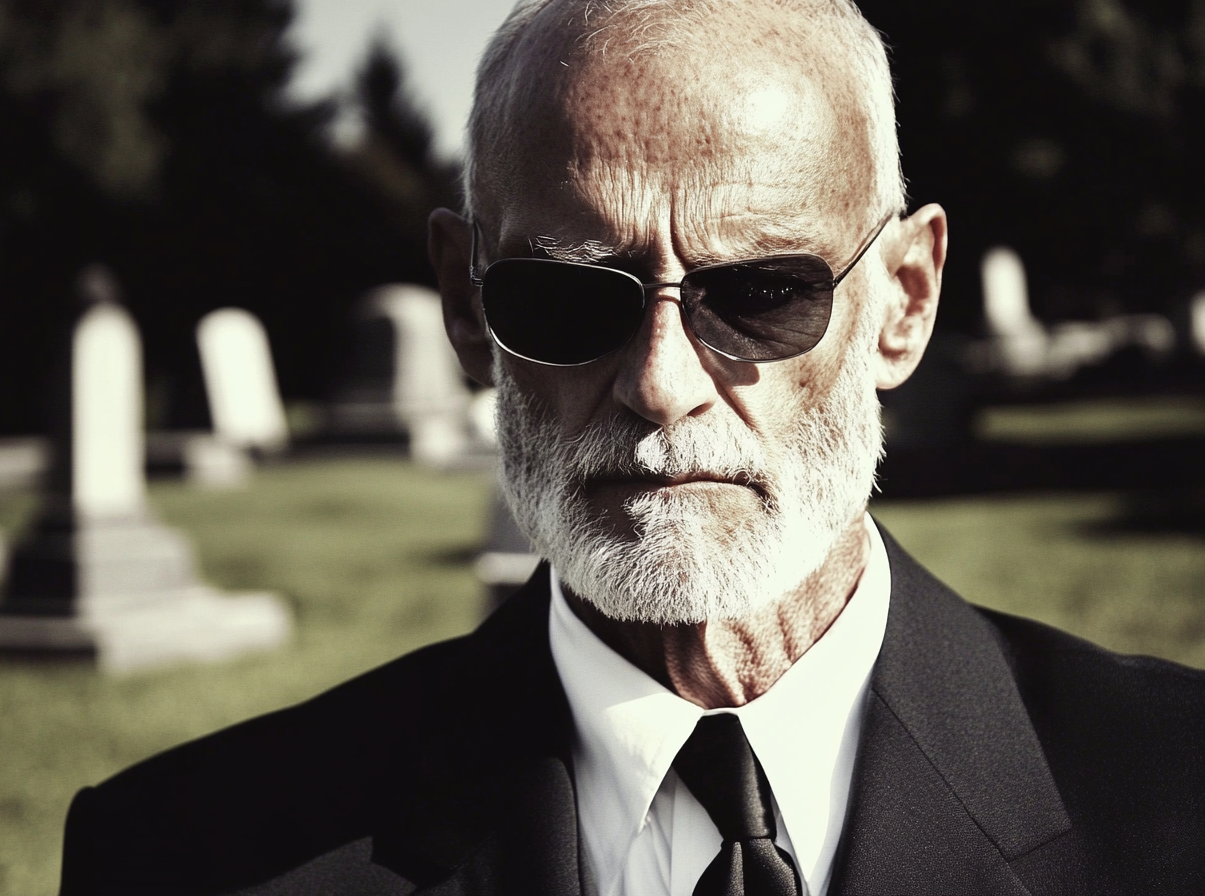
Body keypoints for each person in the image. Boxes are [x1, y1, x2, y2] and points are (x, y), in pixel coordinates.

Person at [58, 1, 1205, 894]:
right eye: (566, 299)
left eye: (760, 291)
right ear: (466, 303)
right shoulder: (186, 855)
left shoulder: (1177, 800)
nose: (660, 383)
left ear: (902, 301)